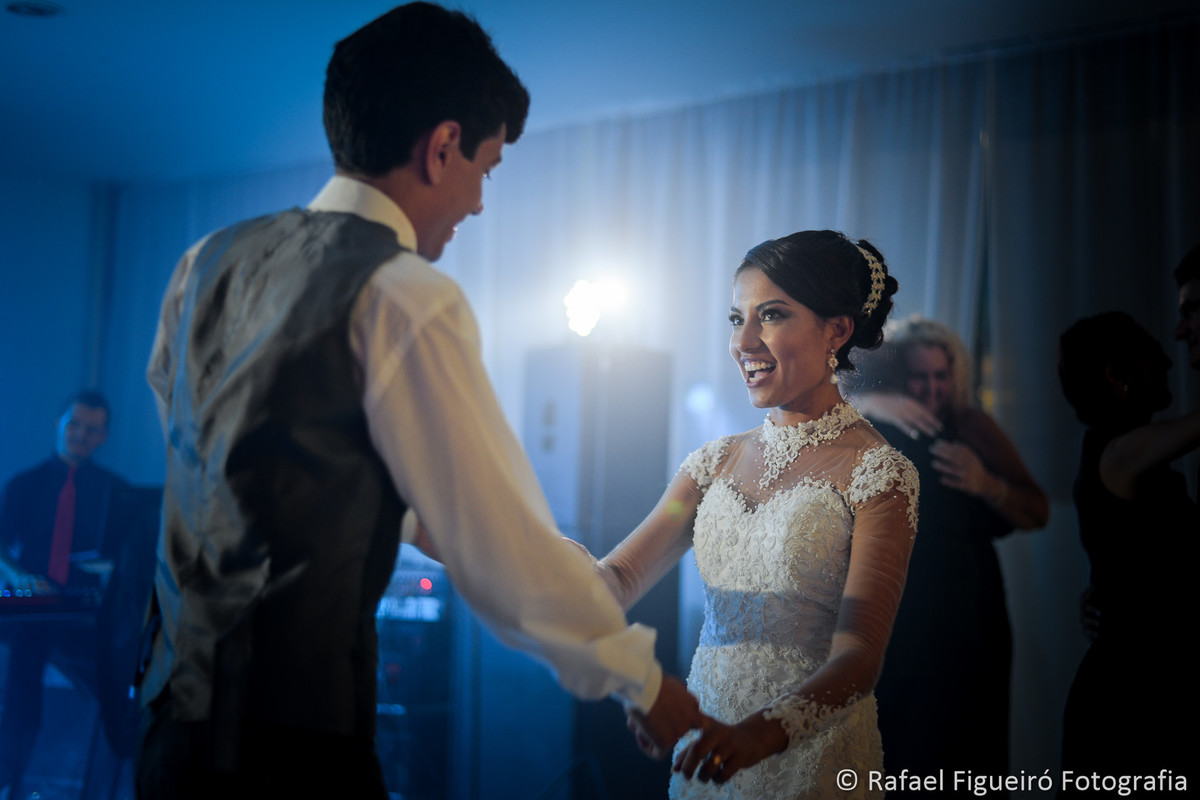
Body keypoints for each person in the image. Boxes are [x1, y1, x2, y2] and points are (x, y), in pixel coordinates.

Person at [136, 4, 701, 798]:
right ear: (442, 148)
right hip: (295, 751)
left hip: (168, 732)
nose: (477, 203)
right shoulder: (406, 295)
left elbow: (224, 462)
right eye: (487, 169)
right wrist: (643, 680)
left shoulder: (204, 262)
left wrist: (411, 518)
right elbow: (506, 555)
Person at [574, 231, 918, 798]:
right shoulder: (709, 466)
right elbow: (619, 579)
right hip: (706, 753)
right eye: (737, 319)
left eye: (772, 316)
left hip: (812, 757)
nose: (744, 341)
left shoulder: (879, 473)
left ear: (837, 330)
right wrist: (533, 550)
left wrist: (761, 735)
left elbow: (859, 655)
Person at [848, 316, 1048, 793]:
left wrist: (987, 485)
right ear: (899, 375)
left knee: (964, 744)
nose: (932, 387)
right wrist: (868, 400)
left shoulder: (969, 424)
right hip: (899, 611)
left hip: (967, 609)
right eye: (920, 375)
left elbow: (1036, 509)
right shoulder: (873, 421)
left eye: (942, 375)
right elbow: (814, 421)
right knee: (896, 746)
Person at [1056, 312, 1198, 794]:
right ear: (1118, 375)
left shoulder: (1114, 452)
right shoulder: (1119, 452)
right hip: (1132, 702)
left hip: (1138, 690)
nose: (1168, 360)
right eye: (1152, 352)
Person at [0, 389, 130, 798]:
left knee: (113, 690)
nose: (80, 435)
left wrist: (113, 570)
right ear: (58, 426)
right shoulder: (25, 484)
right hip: (34, 604)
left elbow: (129, 557)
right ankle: (10, 784)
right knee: (20, 691)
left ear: (104, 437)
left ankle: (106, 777)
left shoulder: (116, 491)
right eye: (73, 425)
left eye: (92, 430)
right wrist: (17, 577)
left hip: (86, 610)